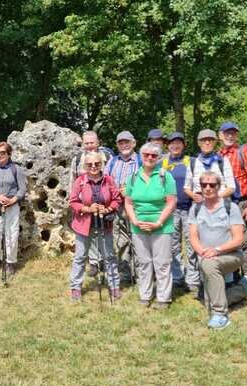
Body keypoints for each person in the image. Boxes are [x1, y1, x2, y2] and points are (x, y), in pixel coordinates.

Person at [188, 171, 247, 329]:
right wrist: (202, 252)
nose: (208, 188)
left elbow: (238, 239)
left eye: (212, 185)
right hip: (206, 256)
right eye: (204, 185)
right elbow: (193, 237)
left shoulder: (231, 207)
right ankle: (244, 287)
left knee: (209, 267)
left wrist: (216, 250)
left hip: (232, 256)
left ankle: (220, 315)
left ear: (219, 186)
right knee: (209, 300)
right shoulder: (195, 209)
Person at [124, 142, 177, 309]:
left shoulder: (165, 176)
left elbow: (171, 202)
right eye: (146, 154)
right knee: (144, 262)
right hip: (138, 226)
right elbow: (128, 202)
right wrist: (134, 220)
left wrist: (158, 222)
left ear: (159, 158)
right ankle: (145, 295)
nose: (149, 157)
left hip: (161, 226)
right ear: (141, 156)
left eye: (153, 155)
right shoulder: (132, 177)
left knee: (162, 263)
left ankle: (163, 298)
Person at [68, 151, 122, 301]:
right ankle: (75, 287)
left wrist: (108, 209)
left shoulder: (109, 180)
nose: (93, 166)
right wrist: (88, 209)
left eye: (97, 163)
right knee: (80, 256)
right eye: (90, 164)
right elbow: (73, 202)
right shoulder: (80, 181)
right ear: (85, 165)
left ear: (102, 164)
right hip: (84, 224)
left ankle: (114, 285)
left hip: (105, 223)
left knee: (109, 256)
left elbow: (117, 199)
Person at [218, 122, 247, 282]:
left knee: (245, 241)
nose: (230, 136)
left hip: (241, 202)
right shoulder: (218, 155)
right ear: (220, 135)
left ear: (236, 135)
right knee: (228, 240)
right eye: (226, 133)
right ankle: (232, 276)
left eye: (233, 133)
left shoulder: (244, 151)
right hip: (223, 204)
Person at [162, 132, 199, 294]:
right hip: (170, 210)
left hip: (190, 209)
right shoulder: (161, 163)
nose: (175, 146)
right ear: (167, 145)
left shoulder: (191, 161)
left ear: (184, 145)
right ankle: (177, 276)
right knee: (173, 245)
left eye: (178, 143)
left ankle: (193, 279)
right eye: (171, 143)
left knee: (192, 244)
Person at [0, 142, 27, 275]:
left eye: (3, 153)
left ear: (9, 154)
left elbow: (22, 189)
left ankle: (10, 262)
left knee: (11, 235)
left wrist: (12, 200)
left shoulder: (16, 169)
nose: (0, 155)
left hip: (12, 206)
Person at [105, 131, 141, 281]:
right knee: (121, 239)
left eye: (127, 142)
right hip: (118, 206)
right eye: (121, 143)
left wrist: (131, 191)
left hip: (136, 206)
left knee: (139, 239)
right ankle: (125, 272)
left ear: (134, 143)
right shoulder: (113, 161)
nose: (124, 145)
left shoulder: (141, 160)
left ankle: (141, 274)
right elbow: (106, 181)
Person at [184, 129, 235, 203]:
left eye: (210, 140)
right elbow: (186, 187)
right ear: (199, 143)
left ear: (215, 142)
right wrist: (194, 196)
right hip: (199, 206)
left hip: (220, 205)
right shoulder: (193, 162)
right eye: (203, 140)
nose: (207, 143)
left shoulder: (223, 161)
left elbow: (231, 187)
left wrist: (214, 198)